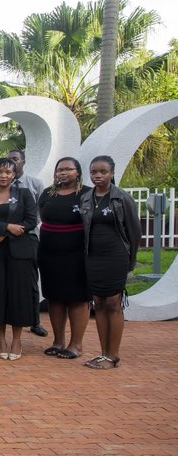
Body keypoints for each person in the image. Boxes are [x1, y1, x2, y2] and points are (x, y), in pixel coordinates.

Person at [80, 155, 140, 370]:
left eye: (103, 172)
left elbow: (134, 232)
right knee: (99, 302)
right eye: (94, 172)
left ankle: (113, 355)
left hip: (115, 257)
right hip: (93, 257)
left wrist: (130, 261)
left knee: (113, 303)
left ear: (112, 173)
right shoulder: (87, 198)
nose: (98, 175)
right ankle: (103, 353)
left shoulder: (121, 198)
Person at [0, 158, 38, 361]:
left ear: (14, 174)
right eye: (0, 172)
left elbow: (30, 220)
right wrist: (6, 227)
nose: (4, 176)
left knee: (18, 295)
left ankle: (17, 339)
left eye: (8, 172)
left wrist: (5, 232)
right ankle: (1, 338)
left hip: (19, 252)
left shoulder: (24, 194)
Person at [37, 157, 91, 360]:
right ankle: (58, 341)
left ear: (77, 172)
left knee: (77, 298)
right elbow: (42, 215)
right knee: (55, 297)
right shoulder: (48, 193)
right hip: (50, 253)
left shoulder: (86, 194)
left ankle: (76, 344)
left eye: (68, 169)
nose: (63, 172)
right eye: (60, 169)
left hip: (77, 254)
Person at [8, 149, 49, 338]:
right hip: (5, 239)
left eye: (15, 159)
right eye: (9, 160)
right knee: (4, 280)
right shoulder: (1, 187)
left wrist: (22, 228)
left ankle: (35, 321)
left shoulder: (35, 184)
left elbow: (40, 212)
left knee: (30, 281)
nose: (12, 163)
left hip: (28, 237)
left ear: (23, 161)